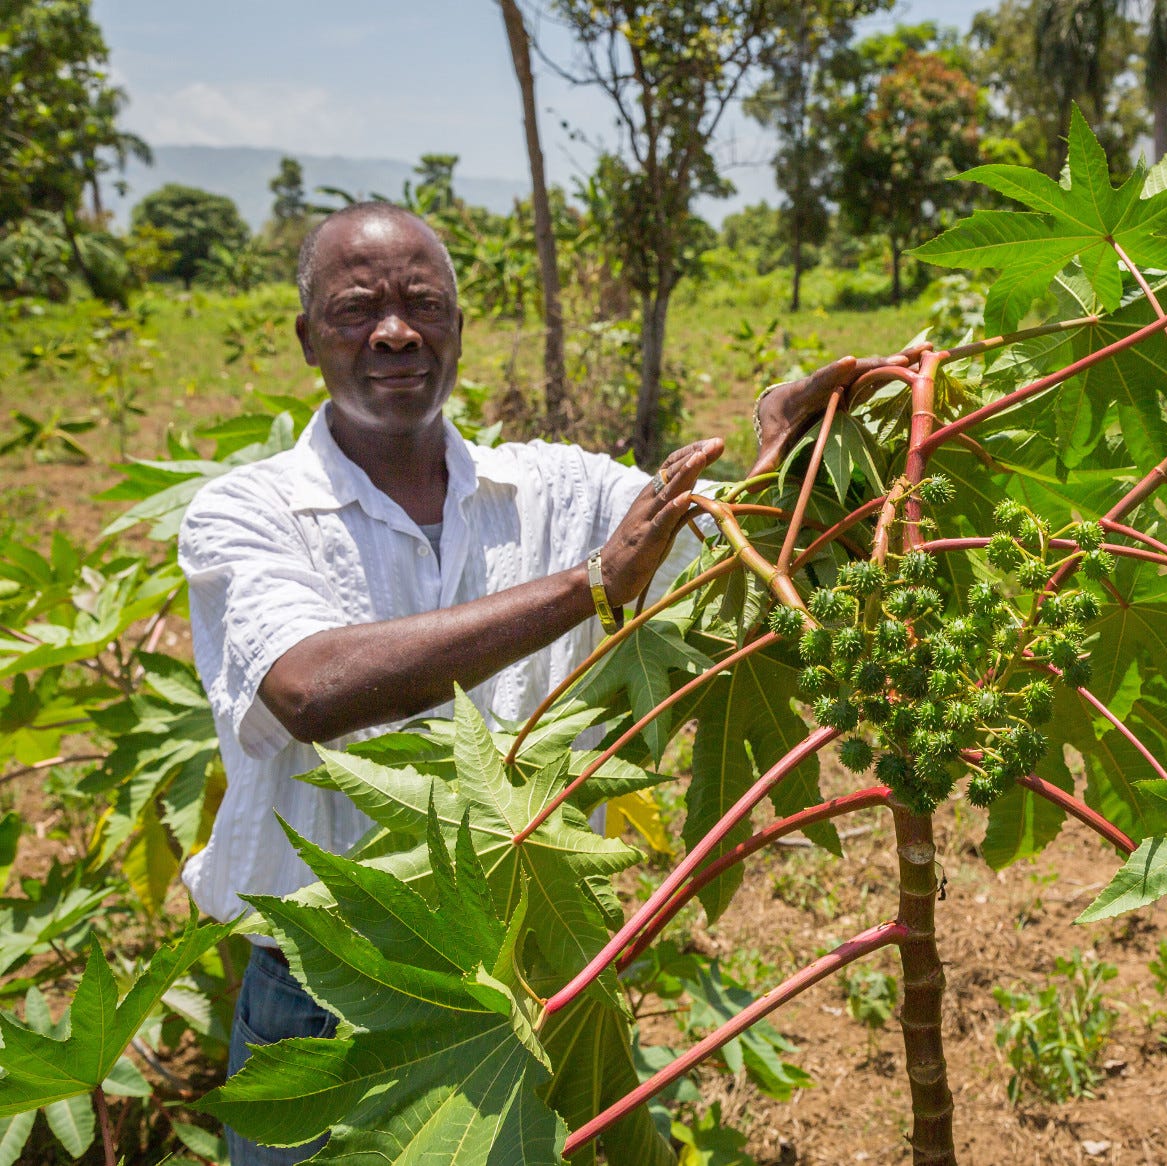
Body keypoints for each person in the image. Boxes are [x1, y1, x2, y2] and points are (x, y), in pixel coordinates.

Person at [177, 201, 914, 1165]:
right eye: (358, 308)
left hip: (520, 994)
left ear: (456, 327)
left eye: (424, 304)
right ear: (307, 336)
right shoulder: (247, 510)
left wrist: (785, 448)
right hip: (326, 1000)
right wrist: (587, 587)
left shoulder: (558, 487)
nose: (395, 330)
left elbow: (718, 532)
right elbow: (311, 688)